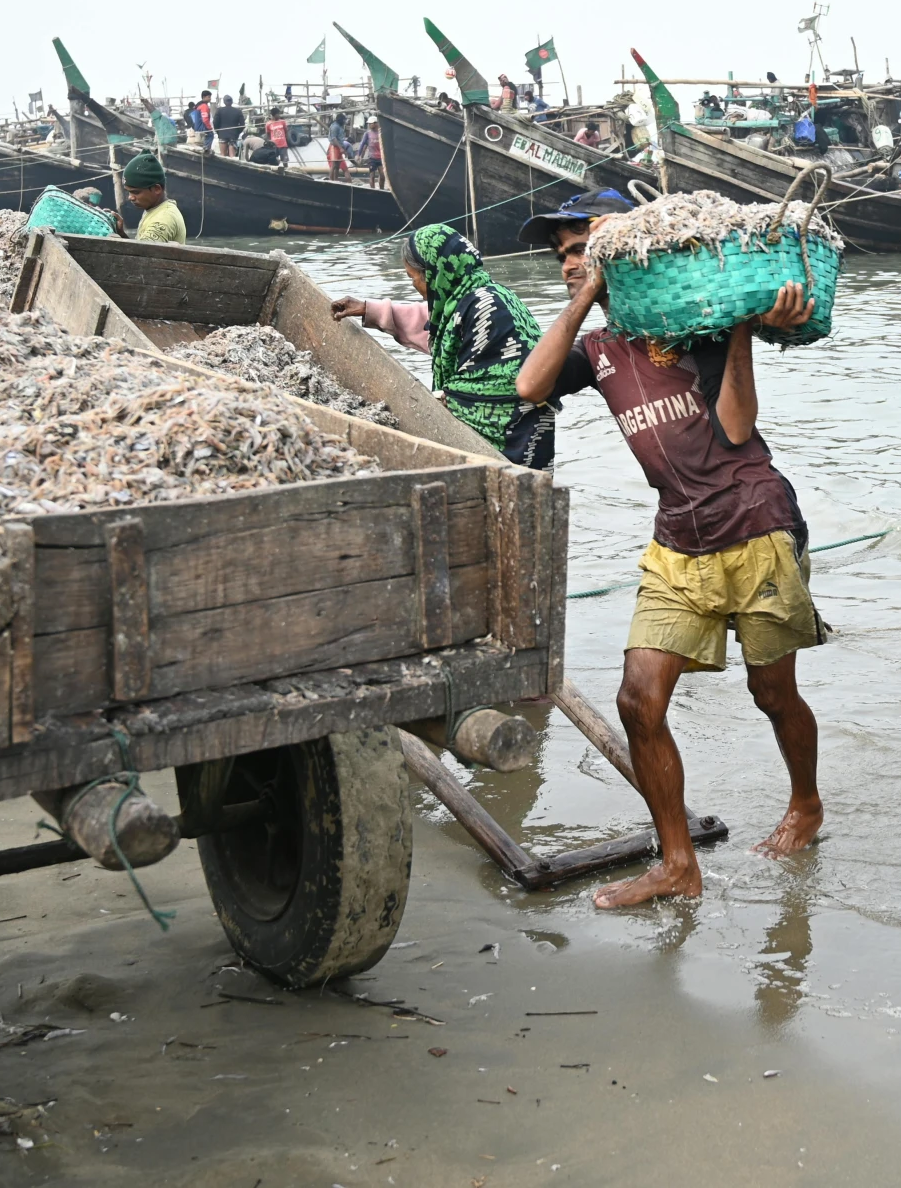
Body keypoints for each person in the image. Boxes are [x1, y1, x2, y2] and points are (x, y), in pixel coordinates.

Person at [513, 190, 825, 909]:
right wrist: (586, 297)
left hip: (756, 526)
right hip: (677, 541)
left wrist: (743, 330)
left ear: (628, 245)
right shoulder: (594, 348)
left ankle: (805, 804)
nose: (571, 262)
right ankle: (678, 864)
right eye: (562, 254)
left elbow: (739, 431)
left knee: (772, 694)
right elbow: (529, 386)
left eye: (585, 246)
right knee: (637, 700)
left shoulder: (693, 324)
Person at [330, 226, 552, 466]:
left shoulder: (486, 309)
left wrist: (442, 399)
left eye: (412, 278)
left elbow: (505, 384)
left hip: (513, 444)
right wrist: (367, 308)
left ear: (435, 275)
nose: (414, 286)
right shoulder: (480, 295)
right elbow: (431, 324)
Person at [123, 153, 186, 243]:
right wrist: (121, 233)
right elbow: (139, 250)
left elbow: (142, 254)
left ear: (157, 189)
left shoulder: (163, 218)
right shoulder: (154, 208)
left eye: (136, 192)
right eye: (128, 191)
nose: (130, 197)